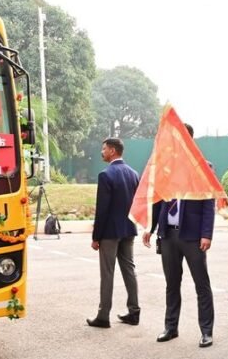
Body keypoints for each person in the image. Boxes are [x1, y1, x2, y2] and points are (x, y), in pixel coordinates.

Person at [142, 123, 215, 348]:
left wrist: (206, 234)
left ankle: (206, 331)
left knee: (201, 284)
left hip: (192, 237)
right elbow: (158, 201)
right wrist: (151, 227)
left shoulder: (203, 167)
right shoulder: (166, 168)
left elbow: (208, 203)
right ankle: (170, 327)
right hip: (168, 236)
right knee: (172, 284)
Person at [87, 138, 141, 328]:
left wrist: (96, 237)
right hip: (129, 229)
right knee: (129, 270)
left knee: (107, 273)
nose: (102, 152)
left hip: (110, 232)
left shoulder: (106, 175)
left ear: (112, 150)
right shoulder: (134, 174)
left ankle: (103, 316)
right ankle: (134, 312)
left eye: (104, 149)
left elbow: (102, 209)